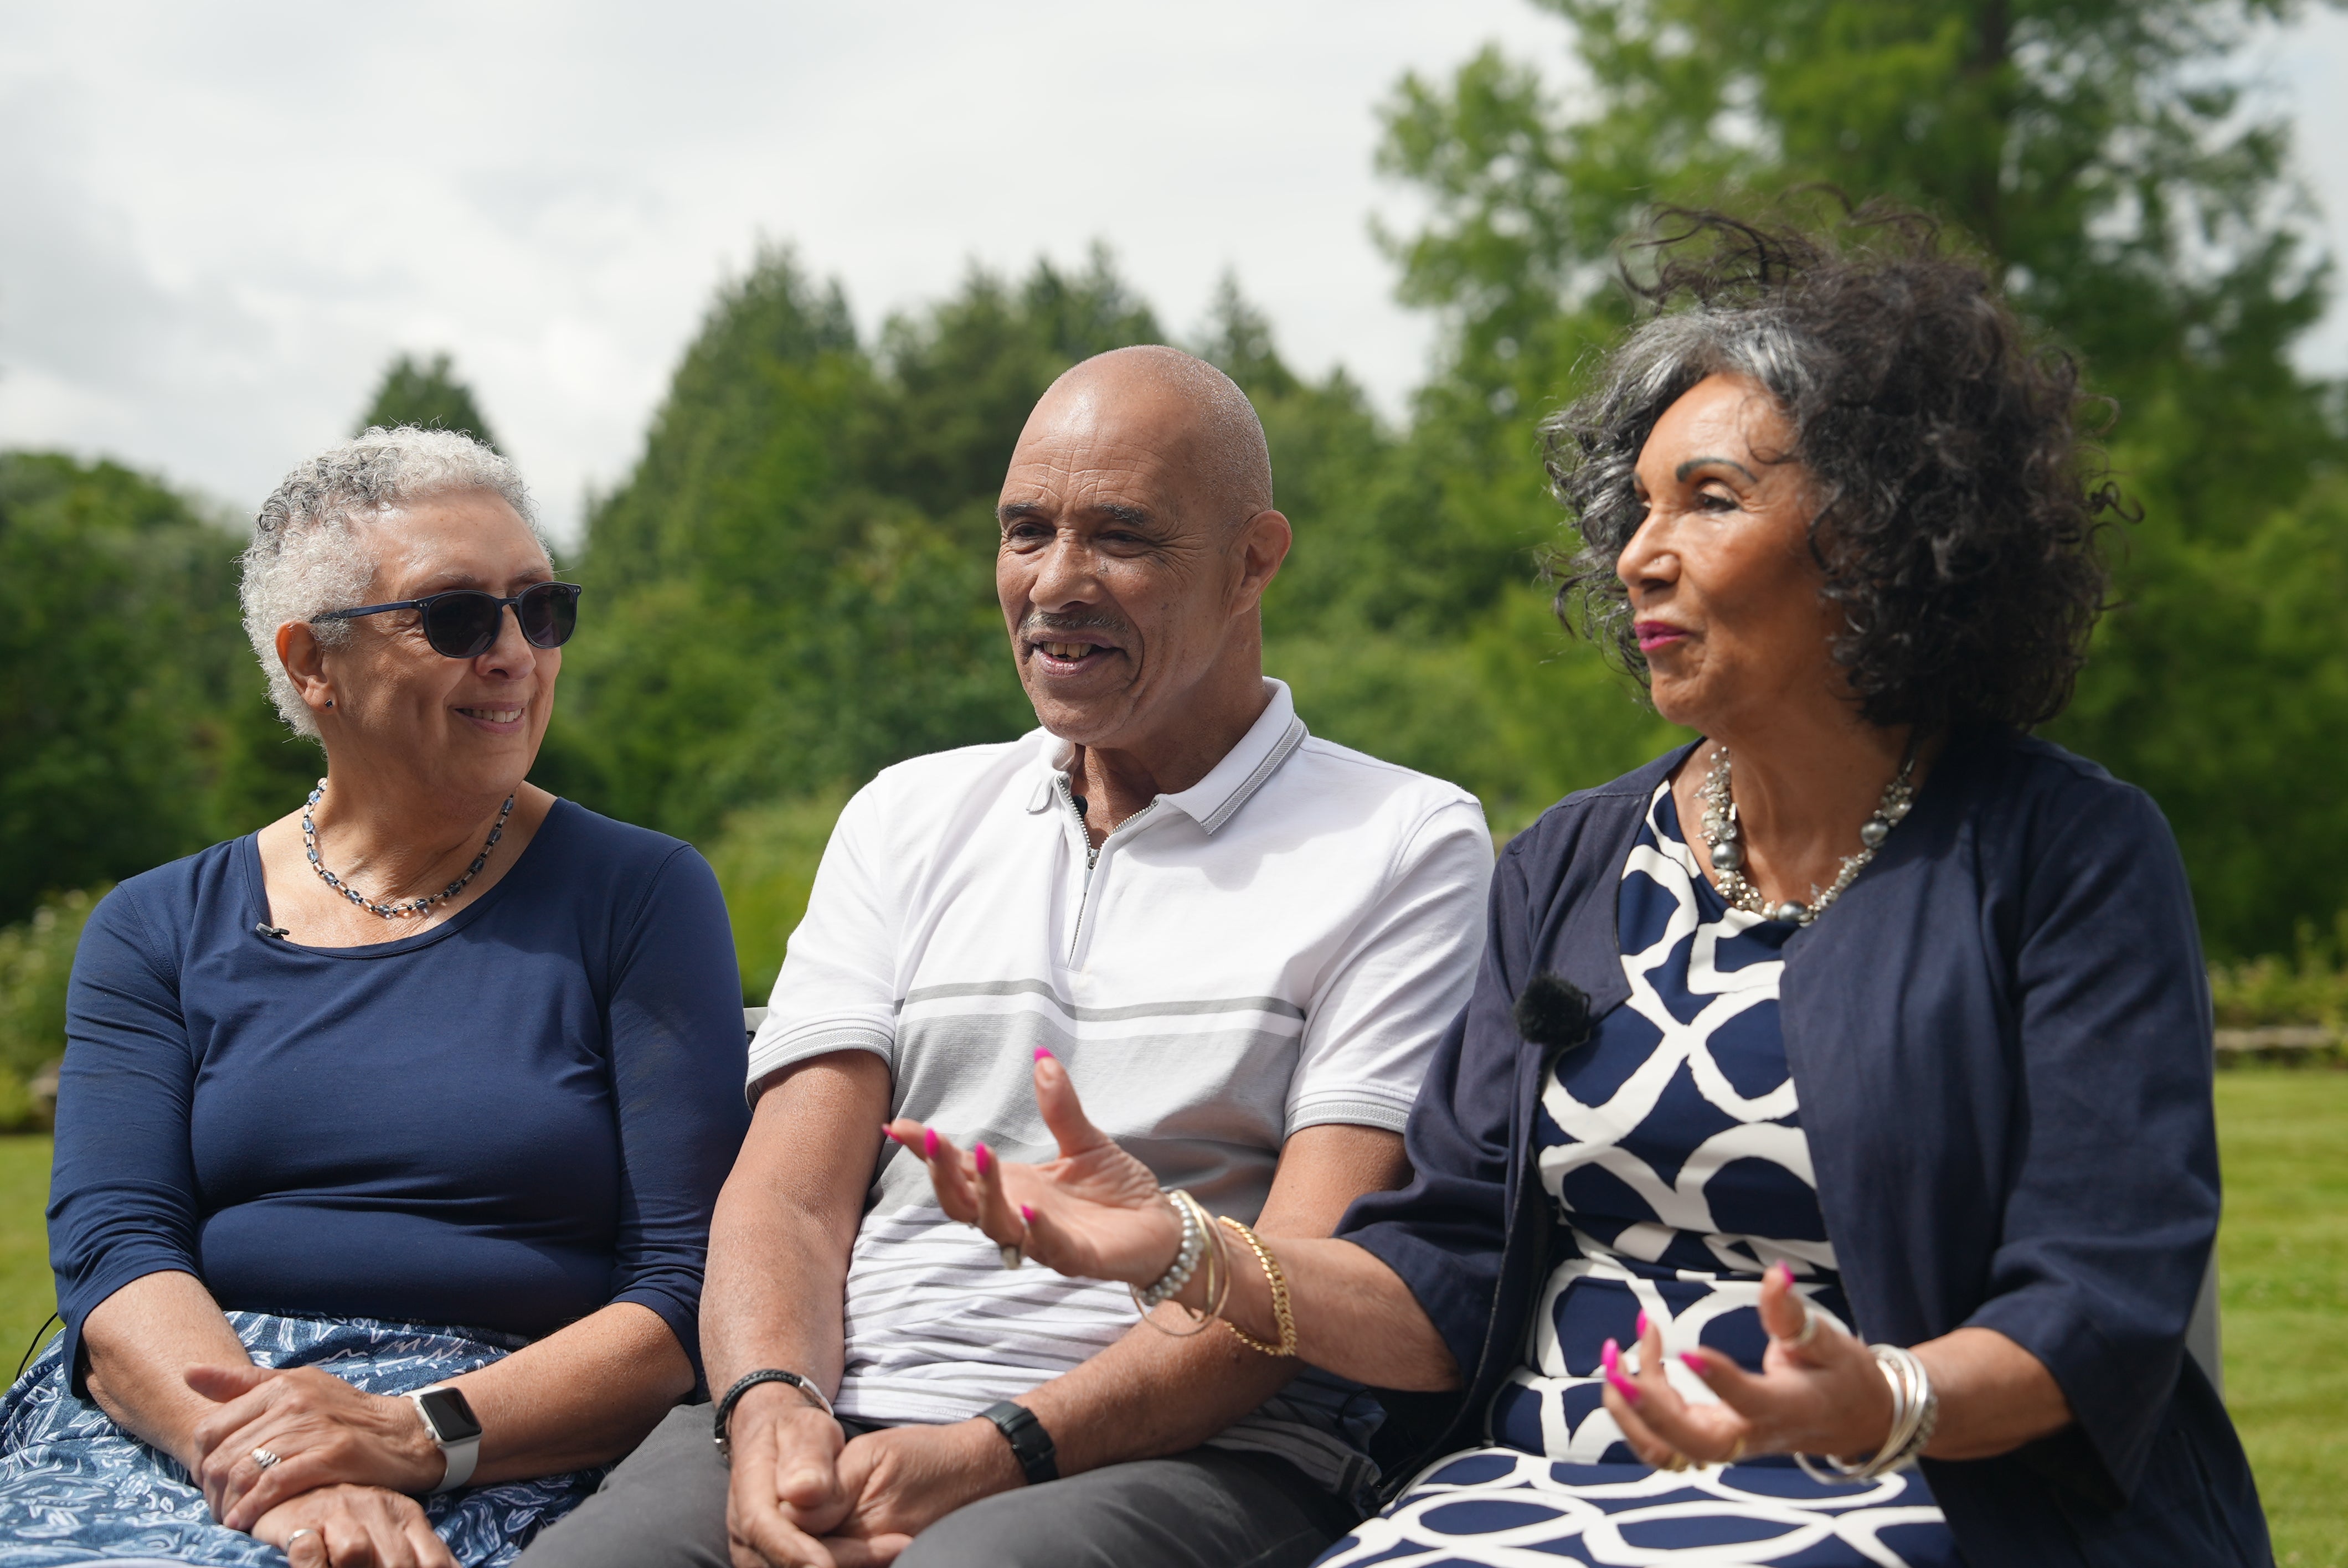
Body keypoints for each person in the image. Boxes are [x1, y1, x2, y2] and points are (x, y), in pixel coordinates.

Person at [891, 215, 2273, 1567]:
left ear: (1877, 533)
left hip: (1919, 1502)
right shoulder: (1572, 862)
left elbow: (2102, 1292)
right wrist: (1183, 1245)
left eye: (1711, 499)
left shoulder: (2060, 854)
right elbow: (1436, 1286)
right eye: (1640, 507)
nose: (1637, 555)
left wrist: (1882, 1400)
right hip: (1532, 1498)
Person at [516, 347, 1495, 1568]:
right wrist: (771, 1406)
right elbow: (788, 1196)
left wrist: (995, 1452)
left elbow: (1304, 1274)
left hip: (1197, 1451)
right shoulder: (906, 815)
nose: (1057, 582)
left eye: (1122, 536)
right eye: (1025, 531)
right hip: (841, 1406)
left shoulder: (1403, 840)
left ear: (1255, 560)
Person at [0, 428, 750, 1568]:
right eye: (455, 617)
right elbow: (117, 1254)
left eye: (541, 610)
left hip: (497, 1426)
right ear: (313, 665)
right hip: (194, 1422)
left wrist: (412, 1437)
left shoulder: (639, 896)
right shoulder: (157, 928)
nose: (514, 653)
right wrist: (271, 1468)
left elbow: (684, 1293)